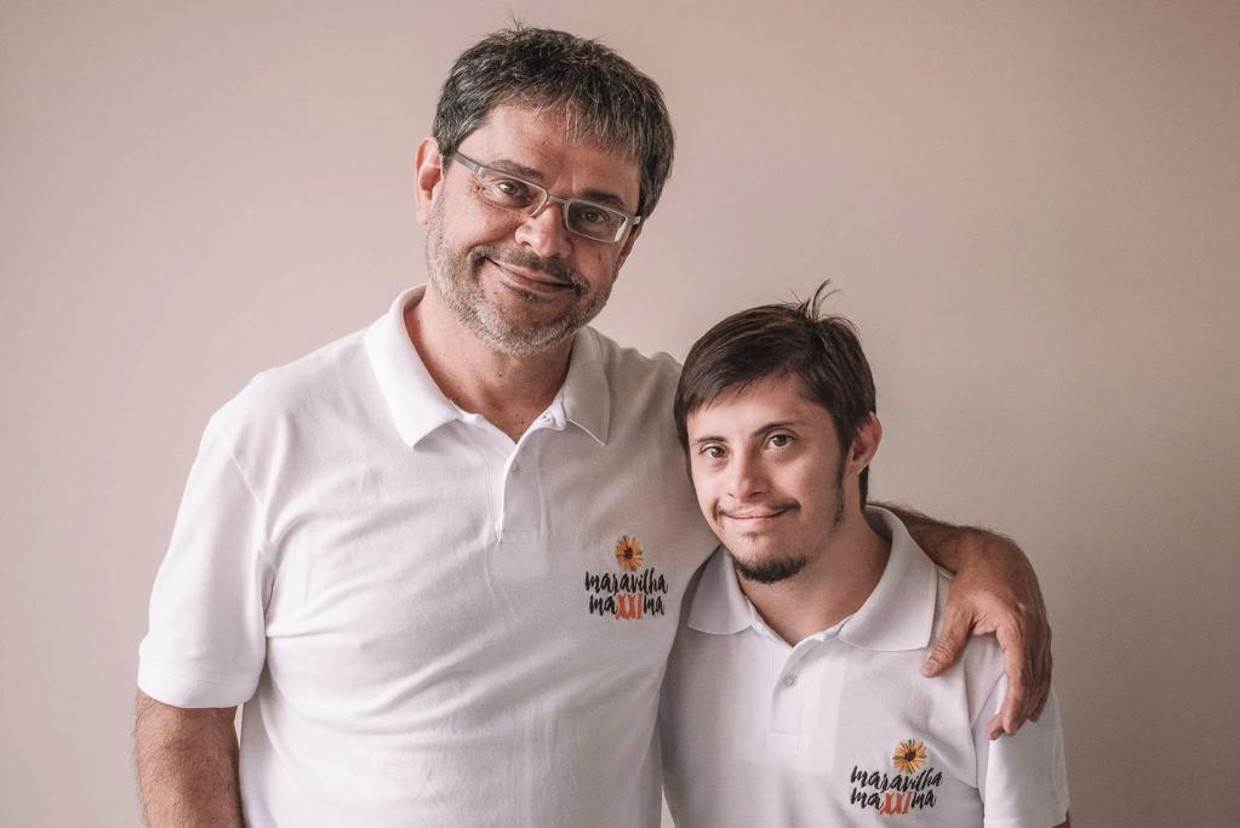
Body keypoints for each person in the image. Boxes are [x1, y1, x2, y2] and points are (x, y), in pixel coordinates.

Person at [134, 26, 1052, 827]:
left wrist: (978, 556)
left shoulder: (669, 424)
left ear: (627, 241)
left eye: (593, 214)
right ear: (431, 178)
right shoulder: (275, 432)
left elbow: (802, 511)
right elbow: (184, 715)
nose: (544, 239)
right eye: (510, 186)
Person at [661, 287, 1070, 826]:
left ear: (859, 445)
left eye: (779, 441)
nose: (742, 485)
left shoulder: (987, 649)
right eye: (714, 450)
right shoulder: (661, 626)